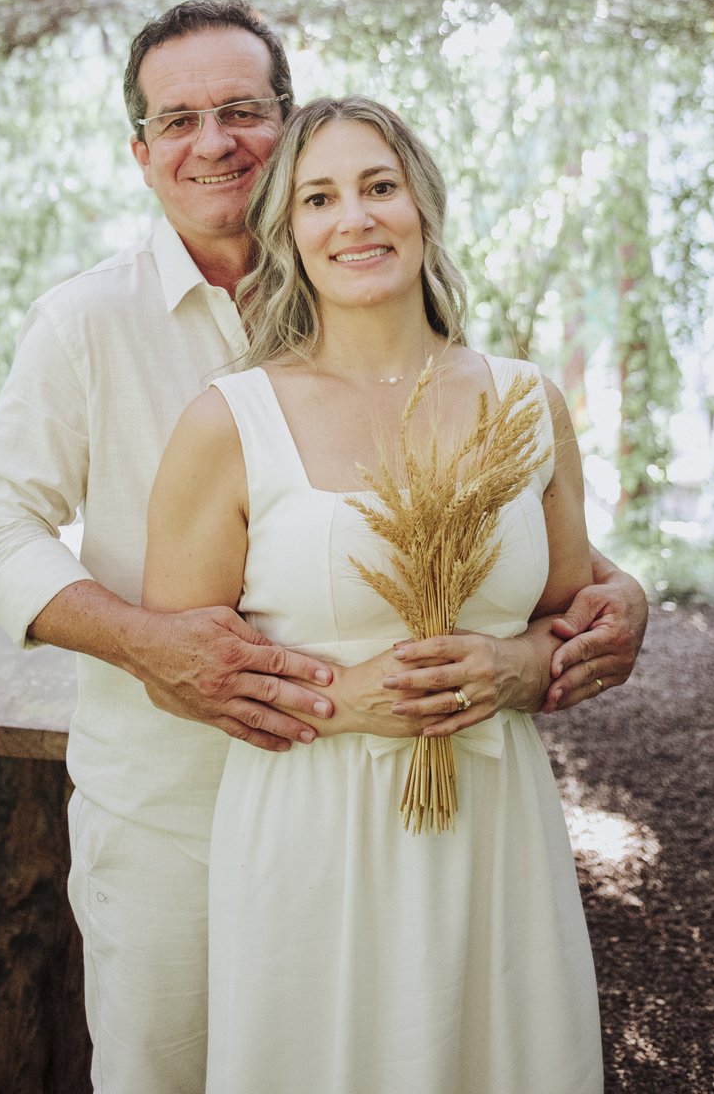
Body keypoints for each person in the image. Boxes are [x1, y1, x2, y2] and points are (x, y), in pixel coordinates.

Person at [0, 0, 644, 1094]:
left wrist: (605, 604)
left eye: (241, 110)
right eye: (178, 120)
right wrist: (150, 644)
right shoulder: (87, 323)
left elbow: (487, 535)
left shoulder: (414, 327)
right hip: (173, 797)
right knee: (173, 1068)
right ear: (141, 153)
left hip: (445, 802)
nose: (213, 142)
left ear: (287, 123)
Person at [143, 96, 605, 1094]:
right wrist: (341, 701)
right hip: (314, 831)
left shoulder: (528, 403)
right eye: (319, 198)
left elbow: (573, 612)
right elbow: (173, 670)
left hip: (496, 825)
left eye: (379, 186)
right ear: (288, 233)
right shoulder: (229, 422)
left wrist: (527, 666)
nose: (354, 218)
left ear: (423, 206)